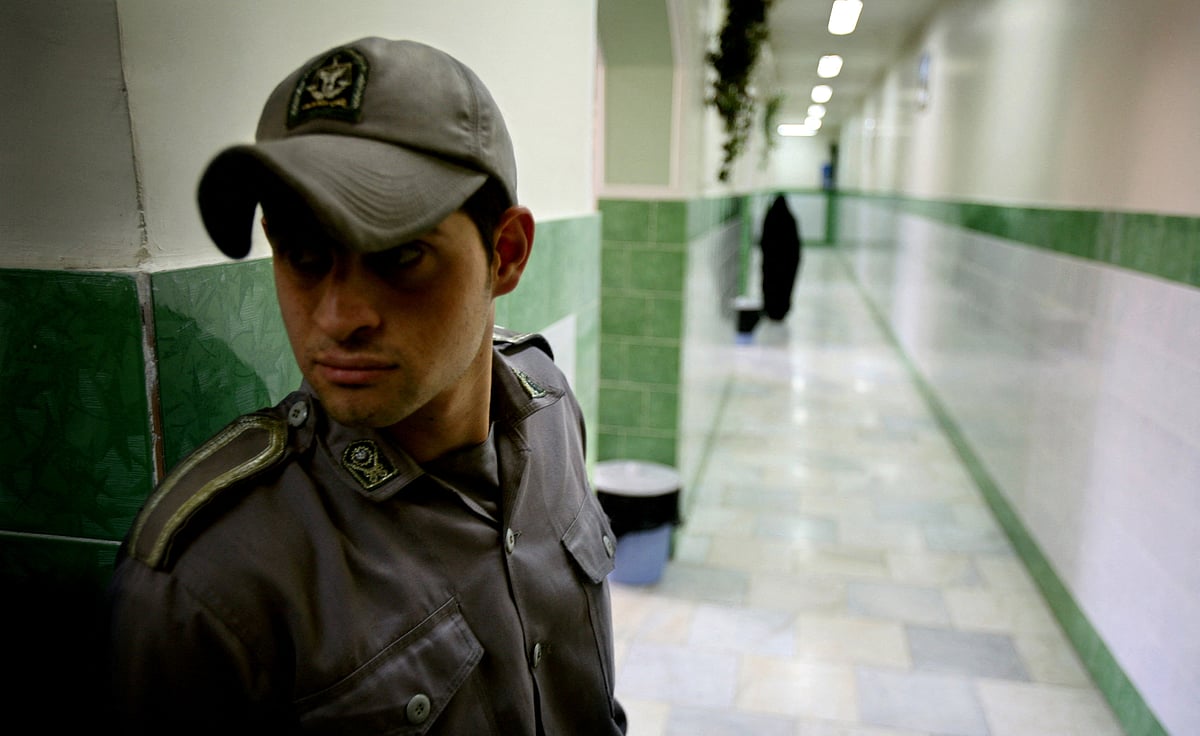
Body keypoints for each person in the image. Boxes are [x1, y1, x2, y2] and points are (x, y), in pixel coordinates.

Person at [107, 37, 627, 735]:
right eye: (303, 255)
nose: (337, 317)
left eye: (401, 255)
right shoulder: (208, 582)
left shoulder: (548, 407)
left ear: (504, 255)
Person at [759, 193, 803, 321]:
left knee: (770, 285)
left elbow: (764, 241)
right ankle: (782, 309)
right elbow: (796, 244)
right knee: (785, 287)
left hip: (771, 262)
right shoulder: (791, 219)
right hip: (787, 263)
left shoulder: (770, 218)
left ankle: (770, 308)